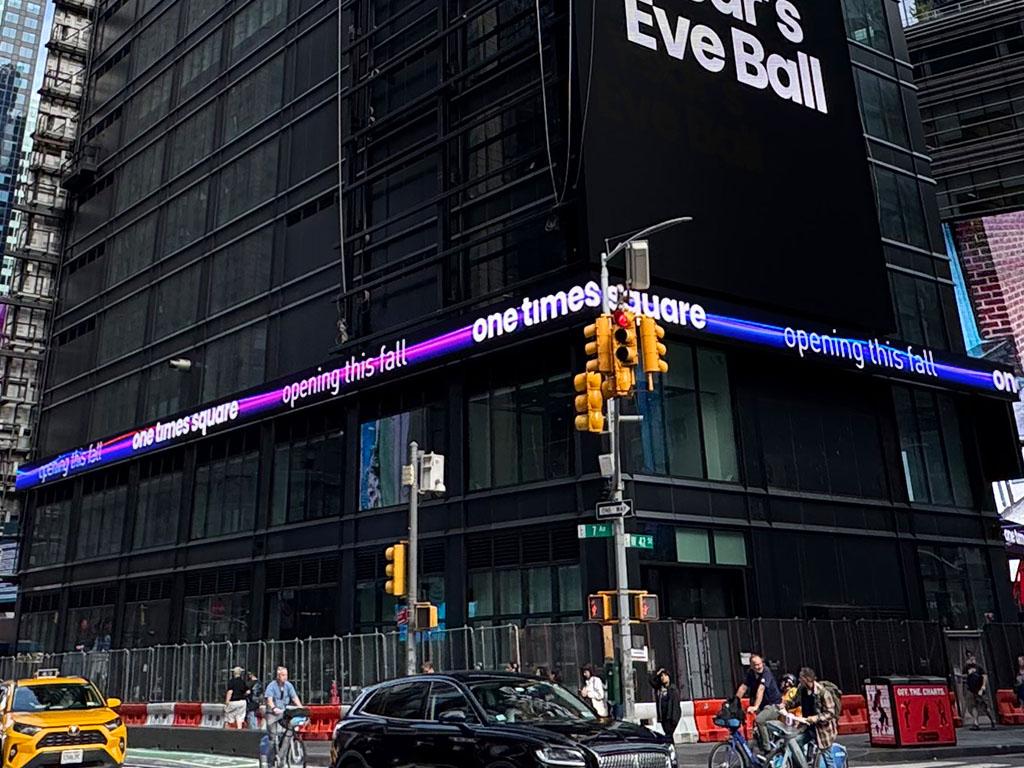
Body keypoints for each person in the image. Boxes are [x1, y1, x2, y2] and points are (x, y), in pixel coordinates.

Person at [785, 667, 838, 768]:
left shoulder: (823, 692)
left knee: (828, 758)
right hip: (807, 727)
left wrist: (816, 718)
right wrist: (785, 705)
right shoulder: (802, 689)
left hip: (822, 731)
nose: (799, 680)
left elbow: (830, 713)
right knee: (795, 744)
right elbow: (796, 701)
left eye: (801, 678)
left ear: (807, 679)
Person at [735, 653, 783, 751]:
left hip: (774, 705)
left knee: (760, 720)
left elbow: (761, 689)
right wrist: (734, 701)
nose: (758, 667)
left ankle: (767, 749)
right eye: (755, 665)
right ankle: (763, 745)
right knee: (757, 730)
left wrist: (755, 706)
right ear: (751, 666)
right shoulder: (750, 673)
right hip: (762, 706)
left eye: (759, 664)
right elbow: (743, 687)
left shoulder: (766, 671)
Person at [963, 650, 996, 730]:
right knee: (973, 705)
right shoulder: (966, 667)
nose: (971, 659)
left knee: (985, 706)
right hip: (971, 689)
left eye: (972, 657)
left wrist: (983, 686)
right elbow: (964, 676)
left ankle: (992, 720)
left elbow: (984, 676)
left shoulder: (979, 667)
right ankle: (975, 722)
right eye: (969, 657)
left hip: (980, 689)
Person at [649, 667, 680, 741]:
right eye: (662, 676)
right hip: (663, 717)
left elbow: (675, 705)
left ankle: (670, 750)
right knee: (668, 736)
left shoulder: (673, 690)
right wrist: (657, 674)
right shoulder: (660, 688)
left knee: (668, 736)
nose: (663, 678)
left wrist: (674, 719)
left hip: (670, 718)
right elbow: (651, 681)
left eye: (665, 676)